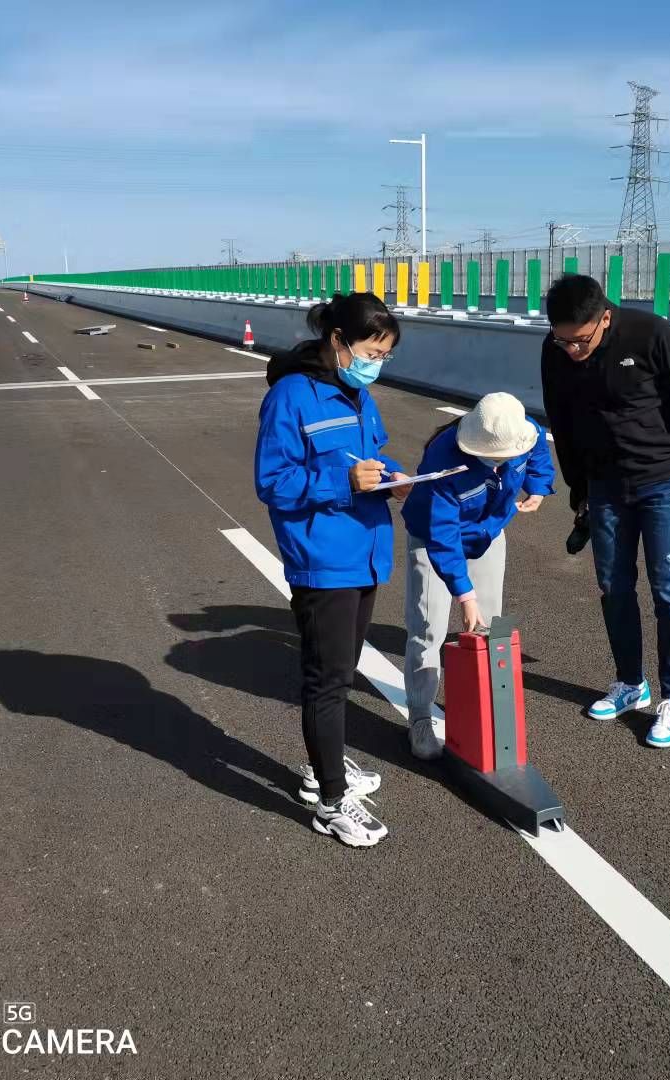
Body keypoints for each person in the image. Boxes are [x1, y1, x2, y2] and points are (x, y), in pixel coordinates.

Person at [254, 292, 409, 847]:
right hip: (322, 561)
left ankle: (328, 765)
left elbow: (371, 456)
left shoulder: (359, 394)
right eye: (372, 350)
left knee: (342, 674)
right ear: (338, 341)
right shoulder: (292, 396)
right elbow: (272, 483)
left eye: (386, 355)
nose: (377, 363)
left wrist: (392, 477)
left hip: (366, 551)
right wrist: (342, 484)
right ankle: (331, 798)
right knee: (327, 679)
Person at [539, 274, 670, 749]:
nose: (571, 350)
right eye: (562, 340)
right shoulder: (554, 348)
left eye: (580, 341)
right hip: (604, 485)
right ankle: (630, 684)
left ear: (605, 317)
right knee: (613, 587)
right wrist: (579, 488)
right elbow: (560, 417)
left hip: (663, 480)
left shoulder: (653, 334)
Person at [400, 392, 554, 759]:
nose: (501, 463)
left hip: (488, 532)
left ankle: (482, 708)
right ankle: (420, 716)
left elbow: (539, 456)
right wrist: (464, 596)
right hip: (434, 537)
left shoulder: (523, 431)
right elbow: (442, 535)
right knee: (428, 628)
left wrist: (539, 486)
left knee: (488, 627)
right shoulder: (443, 459)